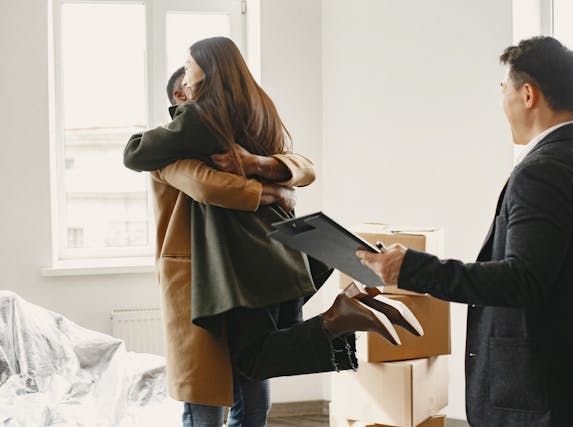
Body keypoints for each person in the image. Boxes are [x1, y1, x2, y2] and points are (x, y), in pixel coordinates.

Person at [124, 36, 414, 426]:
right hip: (274, 259)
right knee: (257, 370)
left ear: (193, 87)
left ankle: (340, 317)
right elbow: (297, 168)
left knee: (224, 385)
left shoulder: (190, 132)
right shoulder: (249, 120)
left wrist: (260, 168)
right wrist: (273, 187)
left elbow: (161, 164)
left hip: (226, 275)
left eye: (190, 67)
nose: (189, 79)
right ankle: (346, 312)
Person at [357, 36, 573, 427]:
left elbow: (521, 280)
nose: (502, 102)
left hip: (532, 394)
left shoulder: (542, 171)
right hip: (570, 385)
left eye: (504, 90)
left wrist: (409, 268)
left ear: (527, 94)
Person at [165, 66, 273, 427]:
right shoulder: (166, 148)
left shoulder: (236, 148)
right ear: (182, 96)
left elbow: (303, 165)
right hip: (196, 282)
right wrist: (273, 190)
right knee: (205, 405)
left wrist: (262, 164)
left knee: (254, 402)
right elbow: (210, 187)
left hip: (242, 279)